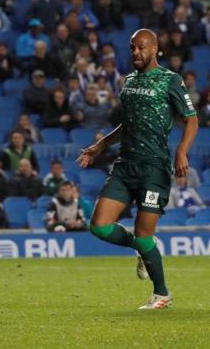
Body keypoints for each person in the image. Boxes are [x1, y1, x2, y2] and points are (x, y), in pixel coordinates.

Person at [76, 28, 198, 309]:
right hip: (124, 165)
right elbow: (128, 124)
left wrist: (181, 151)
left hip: (153, 168)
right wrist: (101, 145)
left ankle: (162, 294)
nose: (136, 53)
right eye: (132, 48)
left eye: (141, 47)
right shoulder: (128, 81)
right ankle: (143, 249)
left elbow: (192, 119)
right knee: (99, 226)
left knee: (144, 234)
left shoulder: (170, 80)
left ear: (155, 49)